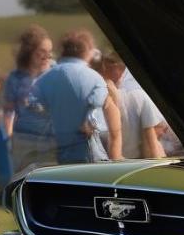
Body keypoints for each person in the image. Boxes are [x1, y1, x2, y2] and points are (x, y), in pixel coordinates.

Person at [32, 30, 122, 163]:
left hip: (56, 153)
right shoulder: (94, 78)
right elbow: (111, 115)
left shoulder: (44, 79)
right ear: (87, 51)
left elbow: (33, 112)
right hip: (89, 152)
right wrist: (116, 154)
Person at [1, 25, 56, 173]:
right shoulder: (15, 78)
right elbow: (8, 110)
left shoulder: (57, 73)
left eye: (50, 52)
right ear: (28, 53)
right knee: (23, 177)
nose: (47, 57)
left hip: (52, 139)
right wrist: (9, 136)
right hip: (24, 138)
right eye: (41, 52)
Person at [99, 53, 165, 158]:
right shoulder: (140, 96)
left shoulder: (97, 98)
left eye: (104, 67)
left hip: (113, 164)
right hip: (137, 163)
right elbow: (153, 140)